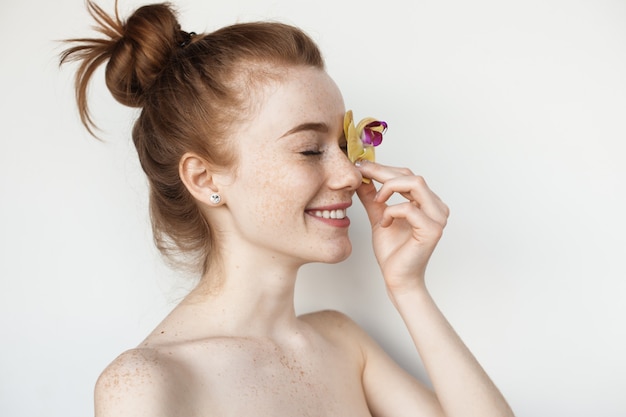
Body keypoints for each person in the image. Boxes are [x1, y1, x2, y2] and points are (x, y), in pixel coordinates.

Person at [61, 2, 515, 416]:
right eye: (310, 150)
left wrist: (408, 287)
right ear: (204, 178)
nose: (351, 175)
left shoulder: (342, 343)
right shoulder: (144, 384)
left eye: (342, 145)